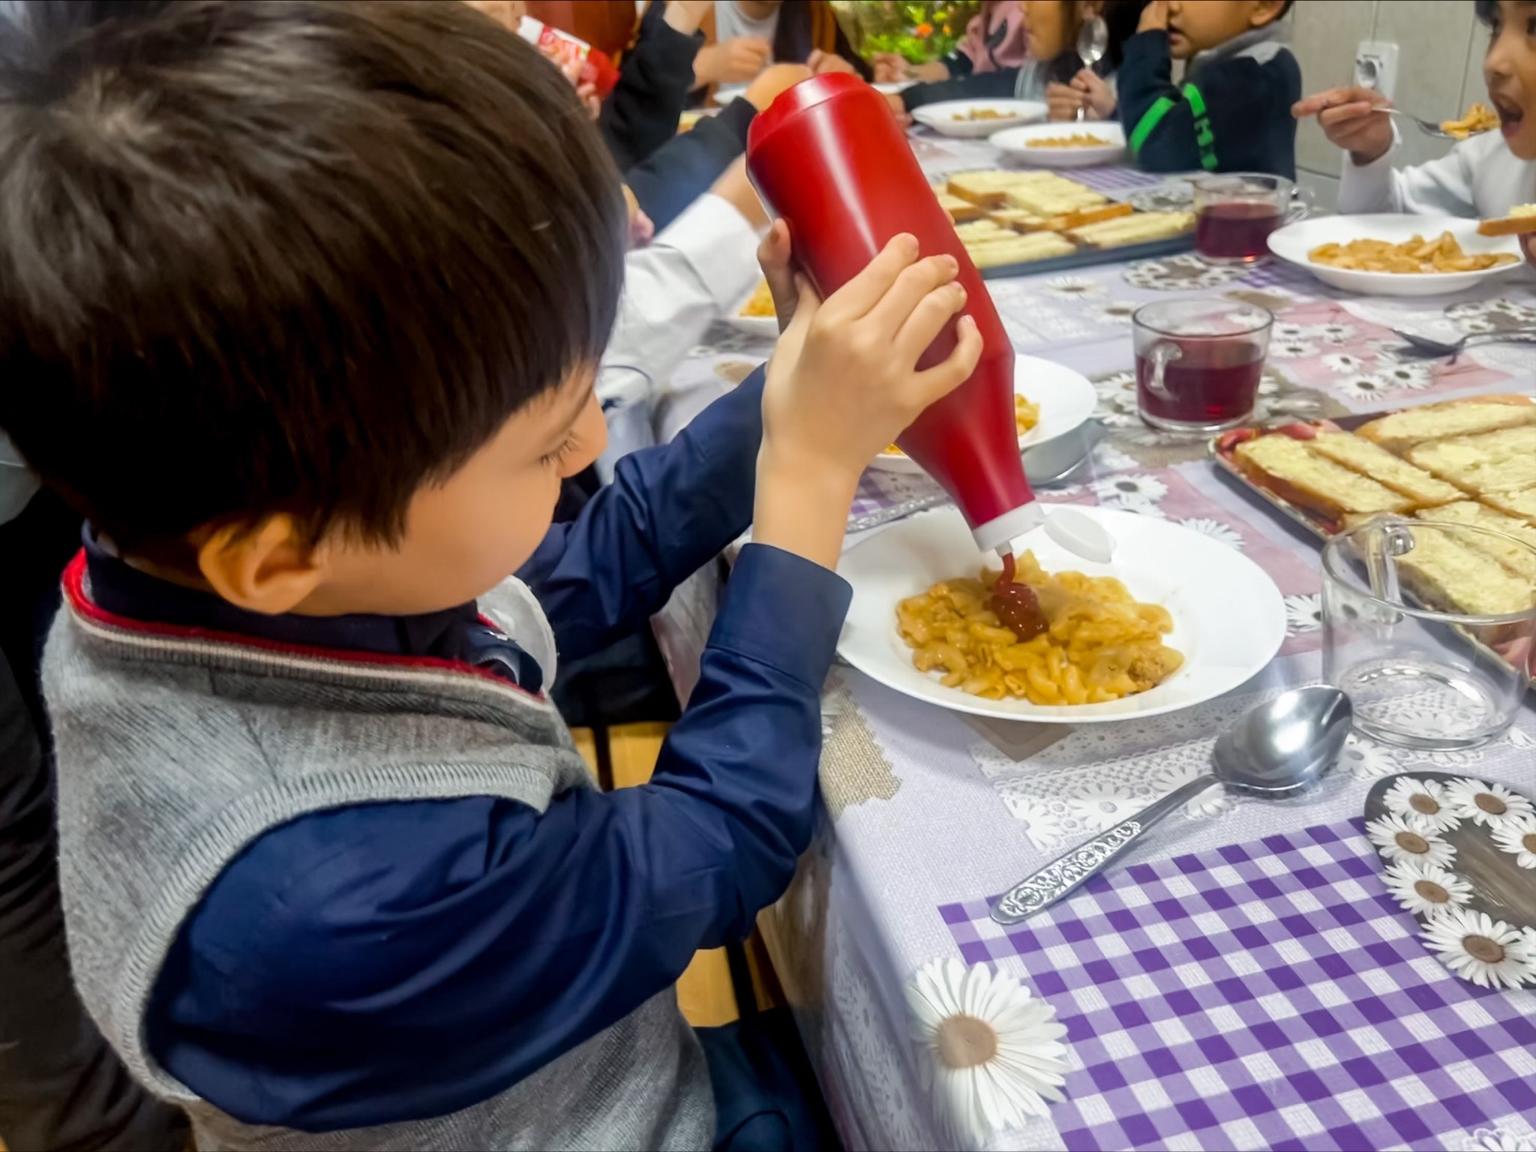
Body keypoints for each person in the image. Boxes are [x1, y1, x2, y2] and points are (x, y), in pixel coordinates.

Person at [0, 5, 982, 1152]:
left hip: (609, 1048)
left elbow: (561, 583)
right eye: (542, 436)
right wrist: (807, 481)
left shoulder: (227, 577)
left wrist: (790, 396)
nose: (582, 448)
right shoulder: (320, 909)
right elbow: (716, 841)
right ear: (278, 554)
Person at [1292, 0, 1536, 267]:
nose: (1493, 62)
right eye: (1496, 27)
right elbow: (1387, 226)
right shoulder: (1490, 158)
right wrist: (1371, 152)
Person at [1115, 0, 1300, 177]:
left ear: (1263, 5)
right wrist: (1114, 110)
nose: (1172, 6)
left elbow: (1156, 149)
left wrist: (1145, 49)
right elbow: (1181, 124)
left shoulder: (1254, 73)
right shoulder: (1242, 63)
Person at [896, 0, 1147, 117]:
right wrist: (909, 98)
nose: (1021, 8)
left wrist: (1110, 116)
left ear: (1089, 5)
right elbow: (996, 87)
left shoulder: (1135, 80)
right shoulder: (1048, 69)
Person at [696, 0, 869, 91]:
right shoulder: (686, 10)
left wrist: (843, 77)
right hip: (703, 146)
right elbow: (668, 82)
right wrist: (703, 66)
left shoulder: (816, 14)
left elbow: (858, 74)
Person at [872, 0, 1028, 85]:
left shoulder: (1029, 11)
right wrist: (909, 72)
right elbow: (960, 64)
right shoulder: (985, 16)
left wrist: (913, 98)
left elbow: (1023, 81)